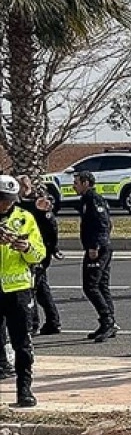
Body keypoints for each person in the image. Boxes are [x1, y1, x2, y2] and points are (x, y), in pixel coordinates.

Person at [0, 175, 47, 408]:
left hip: (18, 289)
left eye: (9, 200)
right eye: (2, 200)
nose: (6, 205)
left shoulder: (25, 218)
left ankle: (24, 391)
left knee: (22, 343)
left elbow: (40, 253)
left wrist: (26, 247)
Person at [74, 171, 117, 342]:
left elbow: (103, 223)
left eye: (76, 182)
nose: (74, 186)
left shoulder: (94, 199)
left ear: (86, 183)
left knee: (91, 286)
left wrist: (95, 246)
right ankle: (108, 322)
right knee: (101, 285)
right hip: (99, 246)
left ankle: (108, 320)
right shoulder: (86, 200)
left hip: (98, 249)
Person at [15, 176, 59, 336]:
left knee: (31, 289)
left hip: (36, 252)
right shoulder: (25, 204)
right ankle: (53, 321)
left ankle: (32, 324)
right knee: (41, 289)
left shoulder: (36, 205)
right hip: (33, 252)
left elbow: (51, 228)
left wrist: (53, 248)